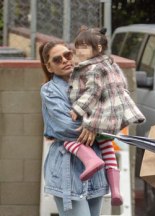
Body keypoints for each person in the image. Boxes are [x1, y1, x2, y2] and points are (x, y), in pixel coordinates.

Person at [64, 26, 146, 206]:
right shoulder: (109, 64)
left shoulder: (93, 68)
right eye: (78, 46)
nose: (79, 50)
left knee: (67, 139)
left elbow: (93, 91)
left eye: (84, 46)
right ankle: (116, 190)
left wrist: (77, 108)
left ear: (98, 48)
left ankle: (91, 160)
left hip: (97, 116)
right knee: (107, 148)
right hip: (111, 116)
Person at [39, 41, 109, 215]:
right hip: (67, 169)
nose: (64, 60)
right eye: (57, 59)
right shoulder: (49, 91)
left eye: (67, 55)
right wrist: (95, 124)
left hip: (96, 168)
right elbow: (66, 127)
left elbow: (114, 115)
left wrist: (95, 125)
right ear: (49, 67)